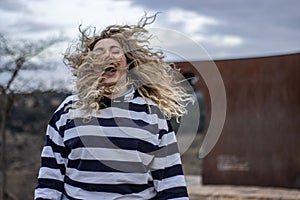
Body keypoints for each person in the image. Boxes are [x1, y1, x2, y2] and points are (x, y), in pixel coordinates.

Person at [34, 14, 194, 200]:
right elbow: (49, 180)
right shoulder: (68, 109)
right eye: (99, 52)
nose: (107, 56)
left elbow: (171, 185)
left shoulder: (152, 113)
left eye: (115, 50)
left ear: (128, 62)